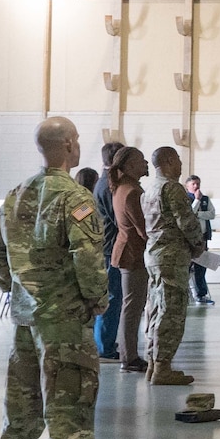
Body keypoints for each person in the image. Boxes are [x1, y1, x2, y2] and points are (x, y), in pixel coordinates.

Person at [0, 115, 117, 439]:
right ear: (69, 146)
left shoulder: (17, 194)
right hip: (63, 324)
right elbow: (88, 257)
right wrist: (97, 300)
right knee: (69, 408)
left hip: (25, 320)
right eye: (76, 141)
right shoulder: (74, 197)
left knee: (21, 408)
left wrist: (16, 287)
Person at [140, 146, 204, 385]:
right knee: (172, 312)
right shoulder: (172, 188)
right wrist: (198, 244)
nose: (179, 165)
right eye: (177, 160)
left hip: (154, 255)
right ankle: (163, 367)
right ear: (167, 161)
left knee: (155, 309)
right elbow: (186, 222)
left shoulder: (149, 190)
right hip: (172, 256)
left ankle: (152, 364)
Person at [107, 146, 151, 375]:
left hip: (128, 251)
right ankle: (129, 356)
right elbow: (143, 228)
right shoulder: (131, 191)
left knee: (131, 306)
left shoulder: (122, 187)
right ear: (131, 165)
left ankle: (129, 354)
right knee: (132, 308)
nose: (145, 164)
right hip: (132, 254)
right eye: (142, 160)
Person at [93, 141, 123, 361]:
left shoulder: (102, 184)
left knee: (111, 298)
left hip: (106, 247)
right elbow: (118, 218)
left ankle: (105, 343)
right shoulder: (108, 187)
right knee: (112, 299)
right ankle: (104, 346)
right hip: (110, 249)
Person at [184, 174, 216, 305]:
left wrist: (198, 214)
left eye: (198, 184)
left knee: (202, 266)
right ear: (187, 187)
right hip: (189, 239)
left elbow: (212, 214)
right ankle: (186, 293)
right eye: (193, 184)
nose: (196, 186)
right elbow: (188, 214)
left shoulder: (206, 199)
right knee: (187, 266)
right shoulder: (185, 199)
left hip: (203, 237)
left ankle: (201, 294)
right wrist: (196, 201)